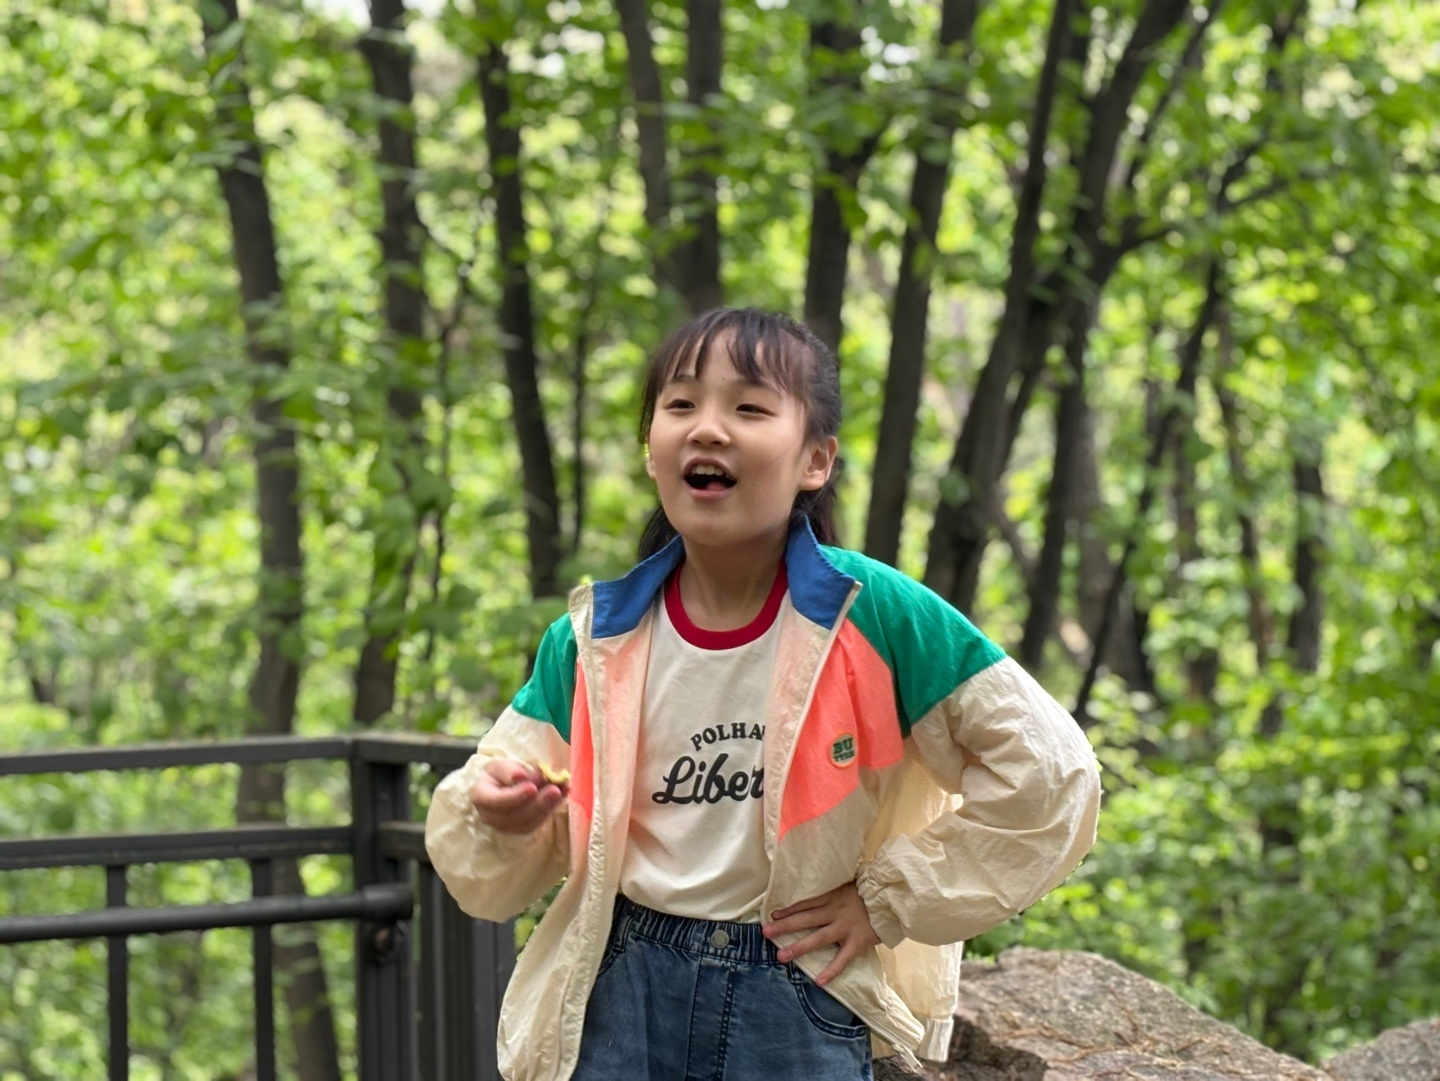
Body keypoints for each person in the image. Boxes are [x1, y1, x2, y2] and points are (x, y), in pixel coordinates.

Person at [425, 307, 1101, 1081]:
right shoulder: (594, 638)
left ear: (816, 459)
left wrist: (883, 899)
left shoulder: (875, 614)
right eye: (681, 404)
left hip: (797, 988)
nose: (708, 428)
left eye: (748, 407)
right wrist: (498, 811)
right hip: (620, 986)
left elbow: (1053, 774)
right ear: (651, 450)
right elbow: (495, 830)